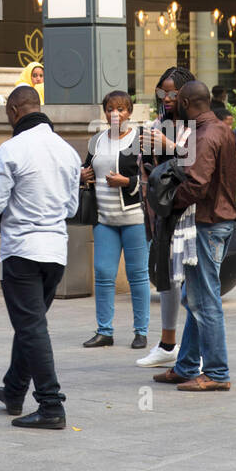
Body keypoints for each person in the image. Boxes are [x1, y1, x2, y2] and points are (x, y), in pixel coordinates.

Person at [0, 84, 81, 429]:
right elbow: (72, 207)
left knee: (32, 327)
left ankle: (51, 406)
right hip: (55, 253)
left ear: (14, 110)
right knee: (30, 325)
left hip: (21, 251)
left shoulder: (10, 149)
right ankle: (14, 390)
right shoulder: (67, 152)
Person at [153, 81, 236, 392]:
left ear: (188, 102)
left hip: (207, 222)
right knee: (197, 298)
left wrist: (167, 202)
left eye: (176, 99)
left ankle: (217, 373)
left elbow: (197, 185)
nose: (171, 102)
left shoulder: (204, 135)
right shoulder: (220, 129)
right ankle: (187, 365)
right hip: (218, 219)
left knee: (205, 301)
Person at [134, 65, 195, 369]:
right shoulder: (158, 122)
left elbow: (196, 164)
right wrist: (144, 152)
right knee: (166, 278)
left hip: (191, 214)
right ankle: (168, 344)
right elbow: (147, 167)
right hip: (162, 212)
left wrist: (166, 145)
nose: (167, 97)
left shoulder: (195, 125)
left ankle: (195, 353)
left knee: (193, 283)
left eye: (173, 92)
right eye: (162, 91)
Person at [81, 91, 150, 350]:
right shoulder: (97, 141)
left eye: (121, 109)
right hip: (104, 219)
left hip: (133, 218)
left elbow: (153, 179)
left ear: (129, 112)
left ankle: (141, 331)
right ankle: (104, 331)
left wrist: (128, 182)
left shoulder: (141, 139)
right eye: (111, 109)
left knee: (137, 276)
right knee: (103, 273)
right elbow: (87, 168)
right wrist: (82, 174)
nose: (115, 114)